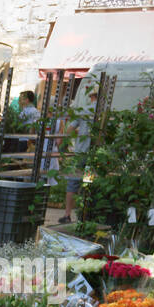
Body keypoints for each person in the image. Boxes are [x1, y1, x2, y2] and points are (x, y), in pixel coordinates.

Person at [59, 89, 96, 224]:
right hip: (94, 155)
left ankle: (67, 214)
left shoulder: (84, 110)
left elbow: (70, 129)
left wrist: (62, 144)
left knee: (73, 183)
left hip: (80, 153)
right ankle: (84, 215)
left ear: (91, 95)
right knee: (88, 182)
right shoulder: (104, 112)